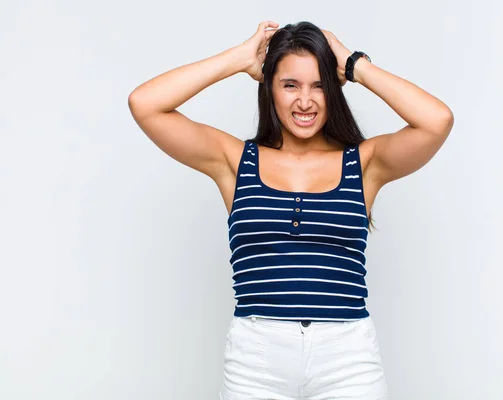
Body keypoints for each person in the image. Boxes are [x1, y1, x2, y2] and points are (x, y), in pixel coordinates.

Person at [128, 20, 453, 400]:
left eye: (319, 85)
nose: (305, 101)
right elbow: (145, 104)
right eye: (290, 85)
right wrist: (239, 59)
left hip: (346, 358)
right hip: (257, 361)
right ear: (270, 88)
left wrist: (354, 66)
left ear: (333, 89)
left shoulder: (364, 164)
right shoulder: (236, 161)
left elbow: (437, 121)